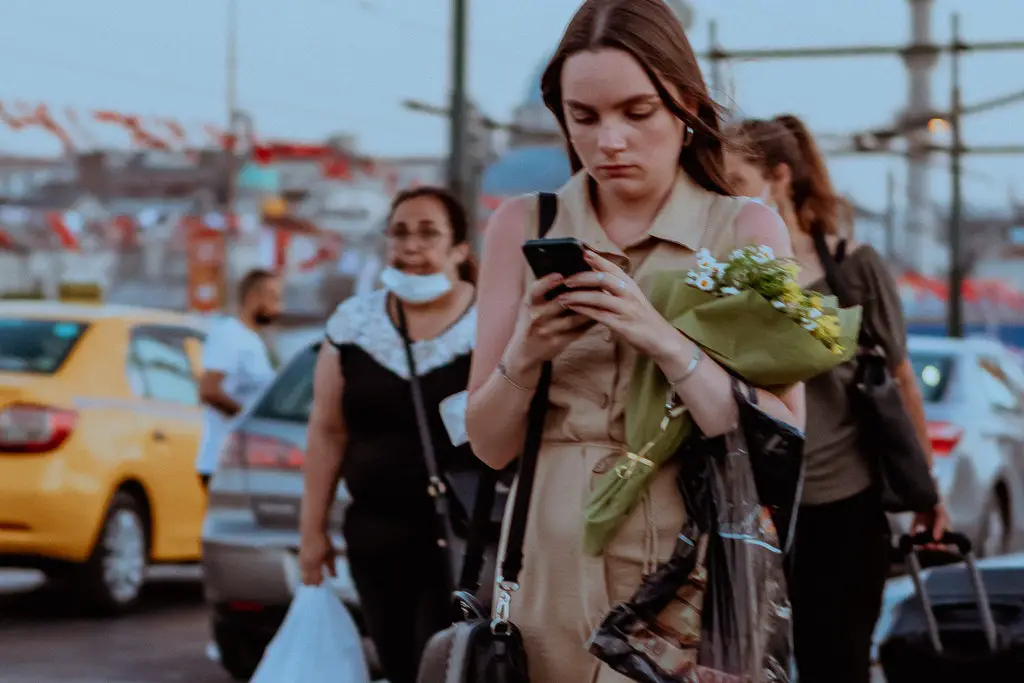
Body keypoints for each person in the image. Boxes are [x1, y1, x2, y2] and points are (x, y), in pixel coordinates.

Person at [465, 1, 806, 681]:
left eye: (636, 112)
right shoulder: (521, 225)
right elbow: (488, 442)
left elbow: (782, 438)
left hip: (685, 582)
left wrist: (660, 337)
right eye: (582, 117)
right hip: (543, 570)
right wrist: (526, 353)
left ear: (684, 105)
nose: (608, 142)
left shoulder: (746, 230)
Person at [723, 114, 947, 683]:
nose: (727, 203)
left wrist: (925, 489)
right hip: (752, 508)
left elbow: (900, 380)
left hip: (843, 505)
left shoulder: (853, 268)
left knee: (837, 665)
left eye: (737, 185)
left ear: (780, 178)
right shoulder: (722, 274)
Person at [298, 186, 481, 683]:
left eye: (429, 233)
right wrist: (312, 530)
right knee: (399, 661)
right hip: (376, 534)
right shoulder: (355, 323)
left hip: (464, 534)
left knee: (447, 661)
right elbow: (327, 431)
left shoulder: (490, 322)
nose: (412, 246)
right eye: (400, 232)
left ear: (459, 249)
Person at [196, 268, 282, 489]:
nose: (279, 307)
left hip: (245, 462)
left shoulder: (253, 340)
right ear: (253, 298)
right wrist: (249, 422)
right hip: (221, 462)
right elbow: (209, 390)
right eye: (274, 298)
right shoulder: (229, 334)